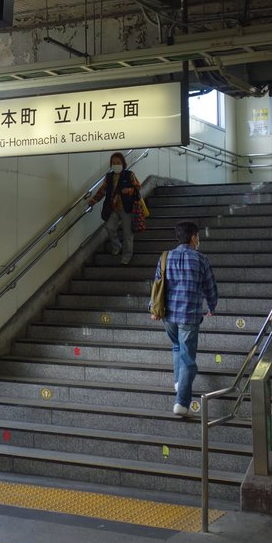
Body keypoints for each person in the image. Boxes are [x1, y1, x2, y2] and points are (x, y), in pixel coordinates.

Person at [149, 220, 217, 416]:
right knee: (188, 360)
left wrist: (153, 309)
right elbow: (210, 287)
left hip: (168, 315)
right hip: (189, 315)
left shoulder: (165, 257)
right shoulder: (201, 259)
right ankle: (182, 402)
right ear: (194, 237)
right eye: (198, 236)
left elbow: (157, 284)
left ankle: (179, 383)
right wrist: (212, 306)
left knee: (177, 347)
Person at [85, 152, 142, 265]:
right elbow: (102, 190)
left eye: (118, 163)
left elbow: (138, 187)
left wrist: (129, 190)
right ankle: (117, 246)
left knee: (127, 233)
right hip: (113, 208)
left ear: (123, 163)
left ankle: (127, 255)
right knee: (109, 227)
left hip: (127, 208)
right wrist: (94, 201)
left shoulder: (129, 174)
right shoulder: (109, 176)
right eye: (113, 163)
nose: (116, 165)